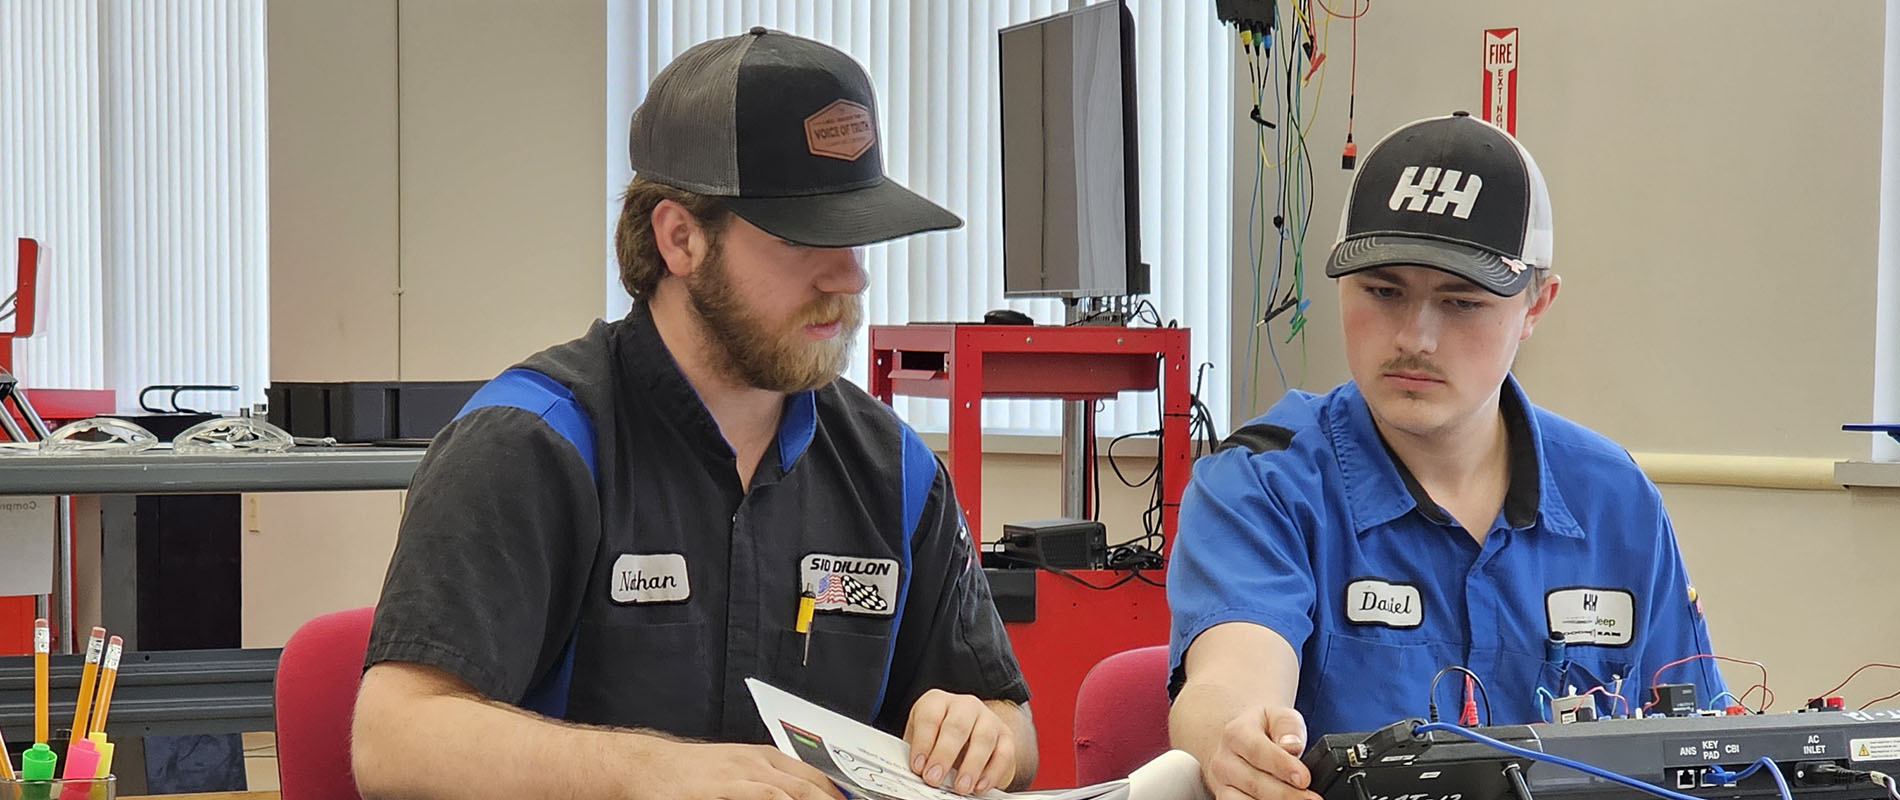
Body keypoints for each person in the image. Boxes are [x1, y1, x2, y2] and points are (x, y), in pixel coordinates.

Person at [351, 28, 1036, 800]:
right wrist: (652, 771)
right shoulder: (533, 443)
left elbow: (1010, 720)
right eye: (804, 236)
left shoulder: (895, 471)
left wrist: (983, 731)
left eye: (858, 237)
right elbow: (395, 737)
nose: (850, 276)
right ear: (679, 238)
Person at [1165, 113, 1727, 800]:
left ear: (1536, 306)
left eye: (1460, 303)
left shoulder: (1615, 500)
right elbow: (1229, 679)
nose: (1415, 337)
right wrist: (1238, 737)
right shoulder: (1261, 483)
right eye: (1383, 292)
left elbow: (1700, 744)